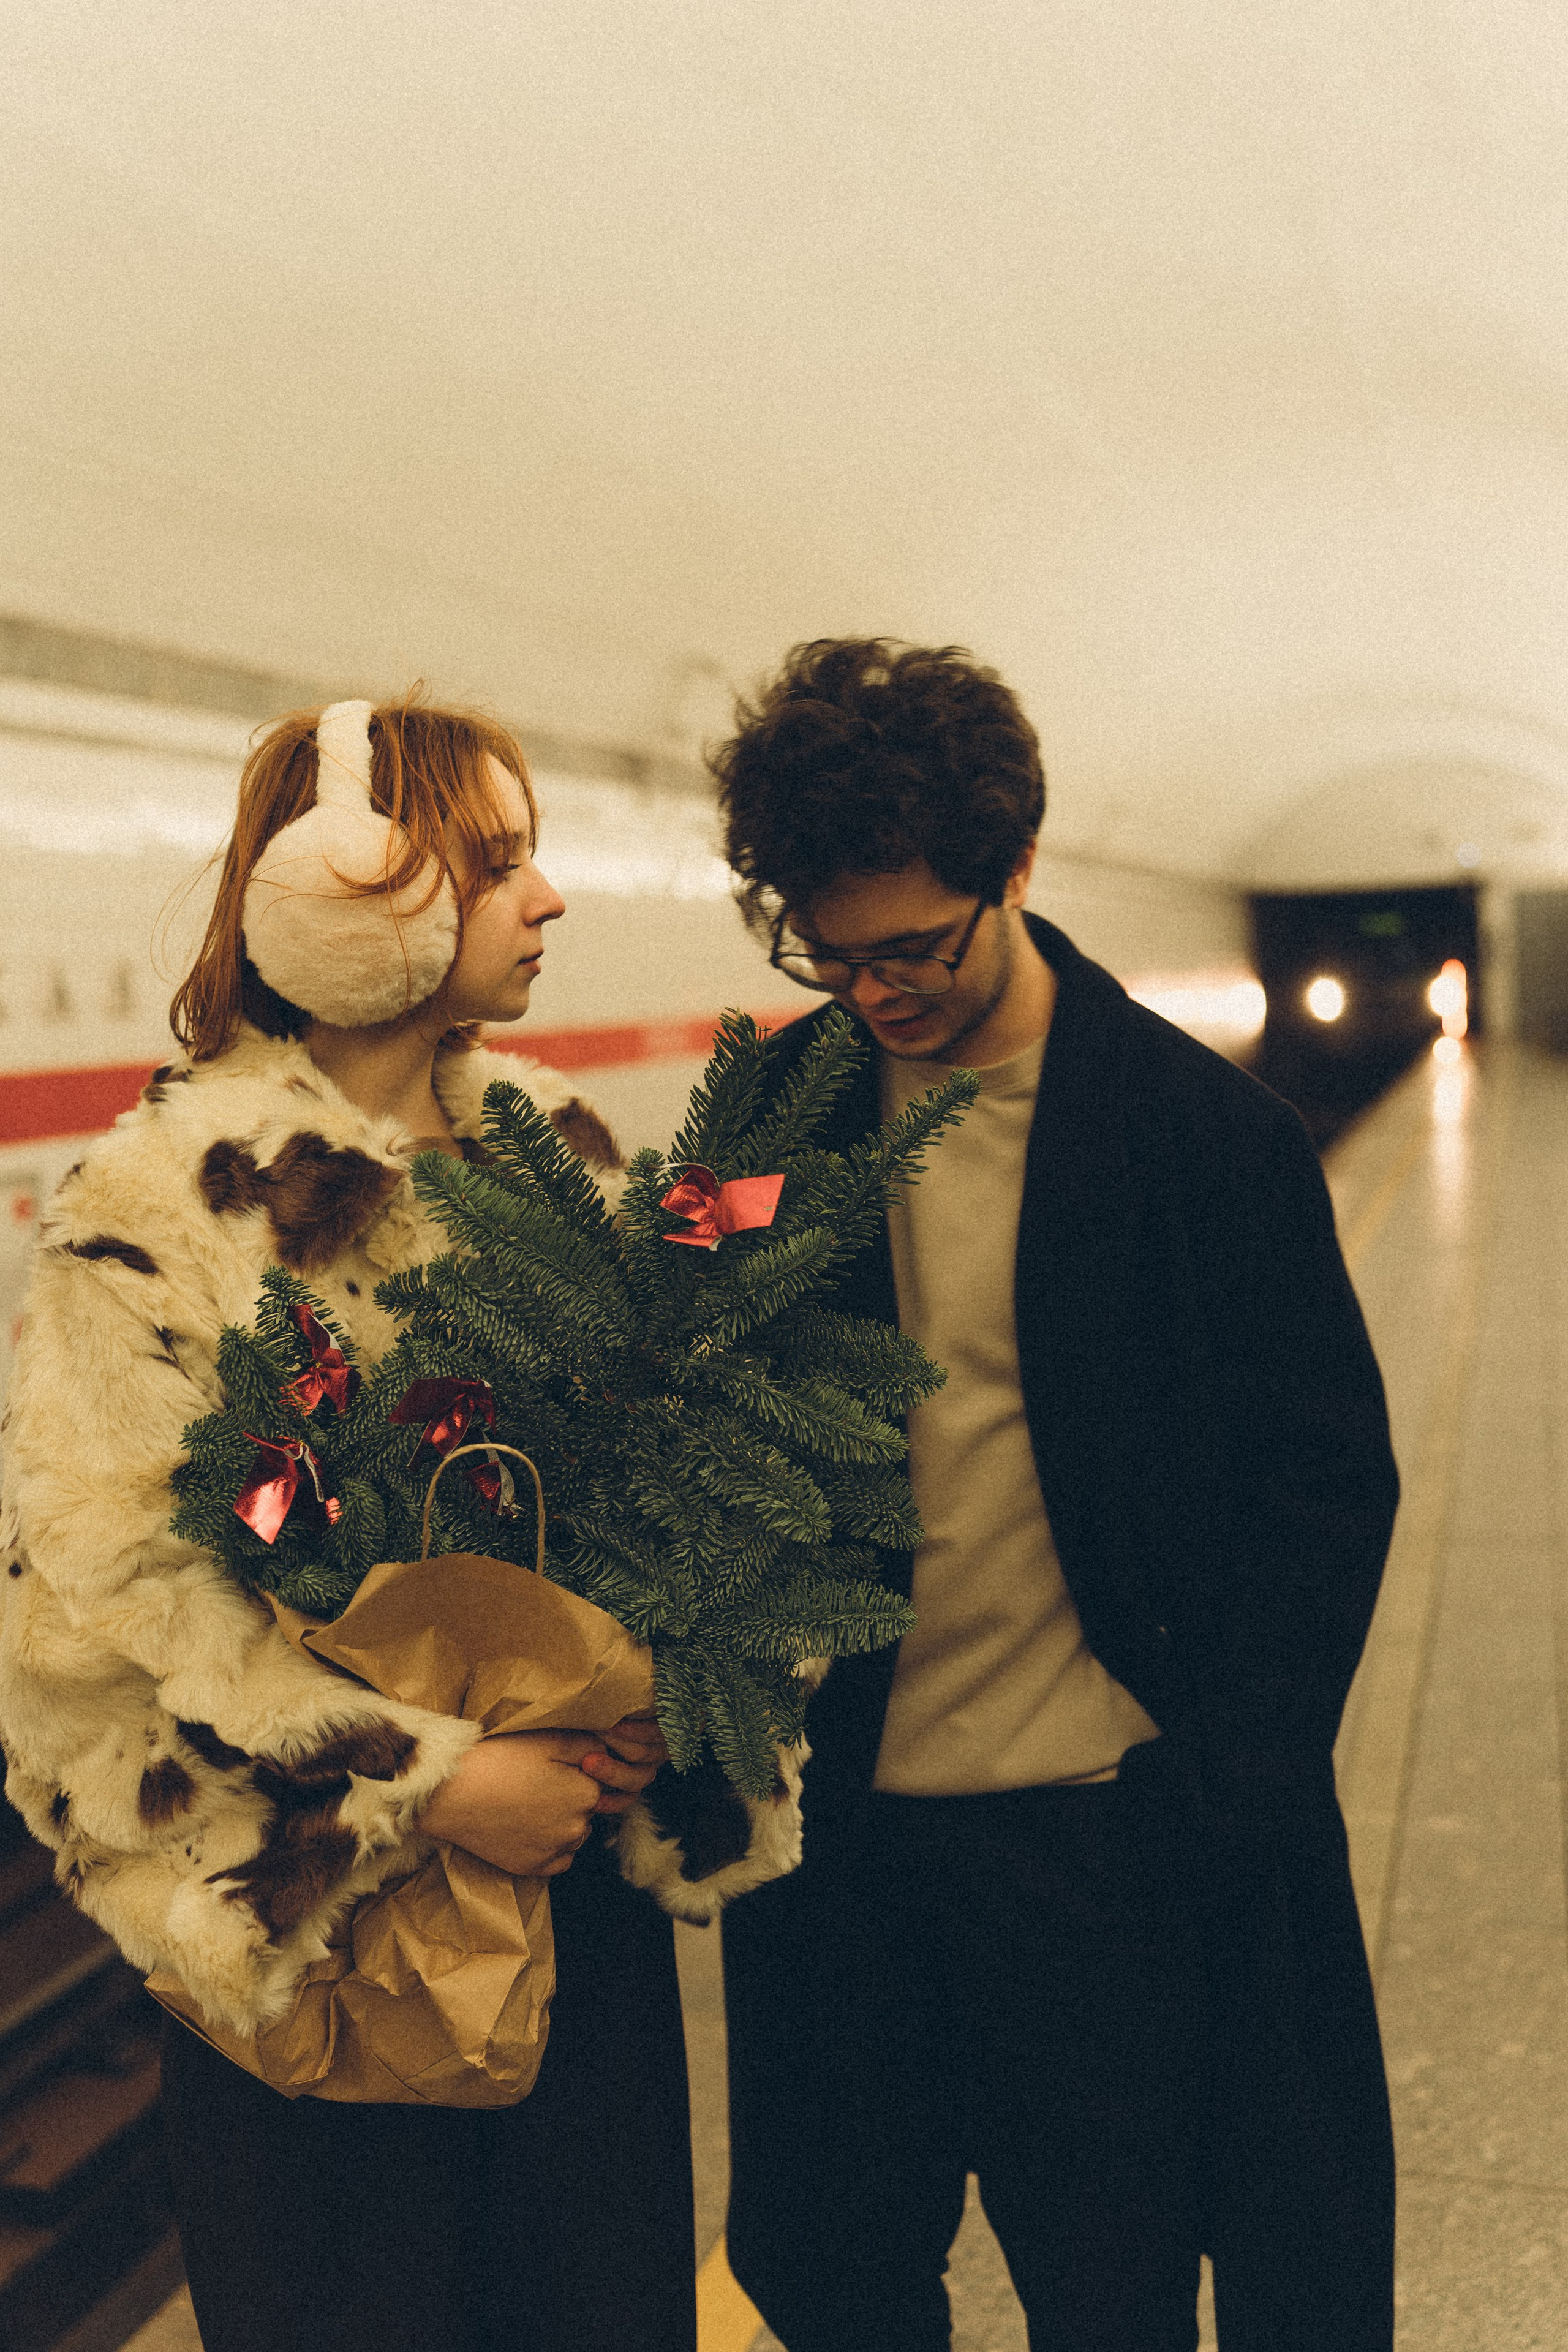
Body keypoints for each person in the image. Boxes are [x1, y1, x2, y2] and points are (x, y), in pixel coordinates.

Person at [713, 640, 1401, 2352]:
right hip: (842, 1844)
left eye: (915, 948)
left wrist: (1225, 1778)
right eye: (828, 953)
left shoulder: (1202, 1137)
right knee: (830, 2273)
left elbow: (1327, 1483)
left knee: (1112, 2285)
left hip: (1101, 1840)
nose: (874, 991)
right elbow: (698, 1396)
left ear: (1014, 867)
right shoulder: (770, 1119)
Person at [0, 698, 705, 2352]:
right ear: (348, 891)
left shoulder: (554, 1153)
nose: (548, 900)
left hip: (575, 1904)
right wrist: (439, 1782)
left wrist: (663, 1700)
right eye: (500, 864)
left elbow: (685, 1473)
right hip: (314, 1940)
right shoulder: (156, 1206)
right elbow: (98, 1616)